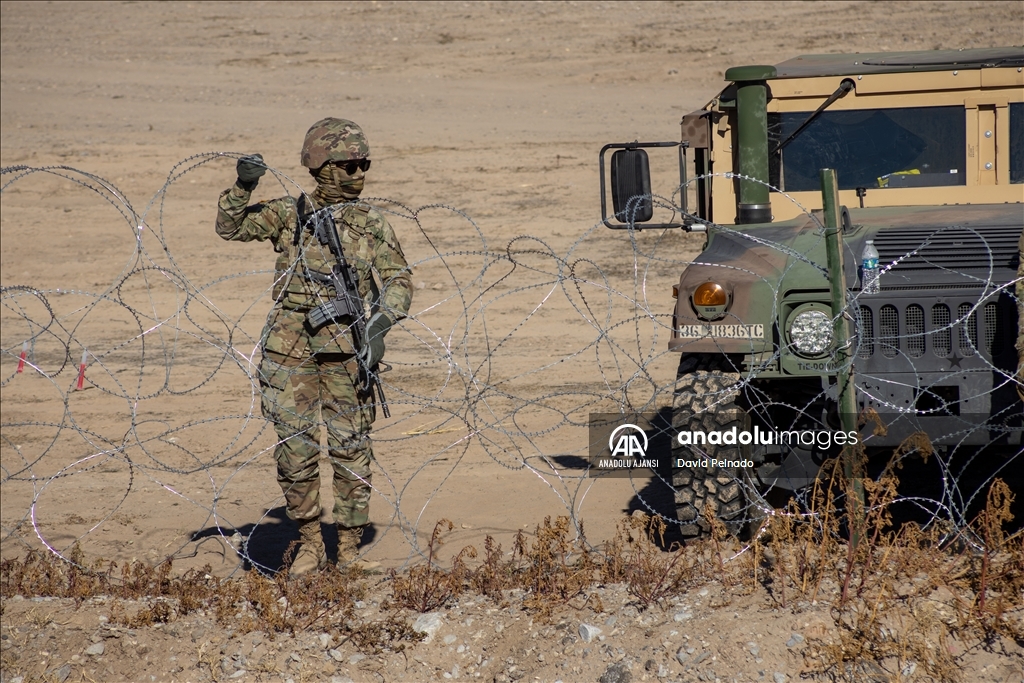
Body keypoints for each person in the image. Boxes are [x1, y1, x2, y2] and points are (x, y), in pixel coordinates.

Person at [215, 118, 412, 575]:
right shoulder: (290, 214)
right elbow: (231, 227)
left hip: (347, 352)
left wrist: (380, 325)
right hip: (290, 351)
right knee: (295, 451)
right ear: (321, 166)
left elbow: (398, 278)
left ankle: (346, 549)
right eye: (348, 166)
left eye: (363, 164)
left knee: (350, 449)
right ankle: (308, 542)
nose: (358, 174)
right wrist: (243, 185)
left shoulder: (372, 223)